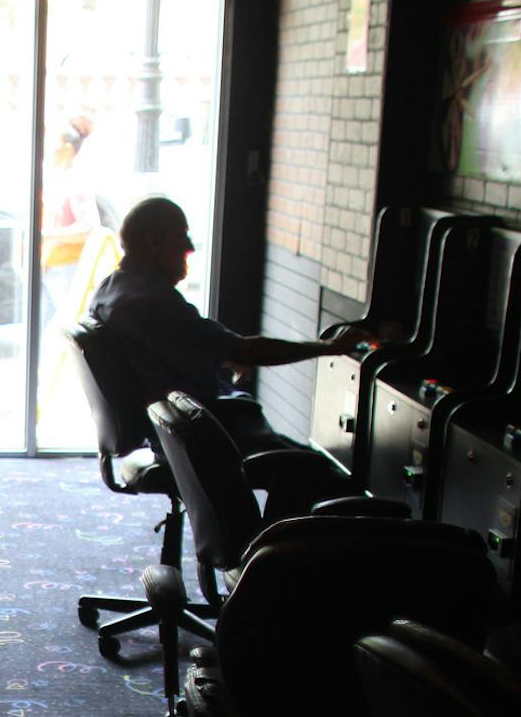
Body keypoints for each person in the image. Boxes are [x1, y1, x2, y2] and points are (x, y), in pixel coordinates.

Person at [84, 196, 367, 515]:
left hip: (177, 429)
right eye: (181, 236)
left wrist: (218, 355)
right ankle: (275, 544)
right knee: (322, 475)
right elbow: (248, 350)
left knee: (308, 462)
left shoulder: (112, 290)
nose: (190, 247)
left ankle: (274, 539)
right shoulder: (150, 302)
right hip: (201, 435)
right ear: (153, 243)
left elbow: (169, 348)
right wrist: (330, 348)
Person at [40, 116, 100, 333]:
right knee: (46, 328)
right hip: (53, 266)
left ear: (66, 148)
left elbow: (90, 227)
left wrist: (48, 235)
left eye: (50, 142)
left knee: (70, 325)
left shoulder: (75, 182)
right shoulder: (60, 178)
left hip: (67, 267)